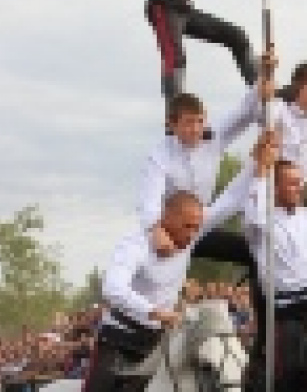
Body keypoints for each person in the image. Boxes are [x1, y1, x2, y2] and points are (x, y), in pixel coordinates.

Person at [82, 132, 277, 392]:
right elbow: (113, 288)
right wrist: (156, 311)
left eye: (197, 227)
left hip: (161, 341)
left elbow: (230, 200)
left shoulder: (192, 234)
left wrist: (257, 164)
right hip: (119, 341)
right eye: (187, 226)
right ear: (166, 217)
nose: (193, 233)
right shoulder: (136, 243)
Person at [242, 159, 307, 391]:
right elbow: (255, 210)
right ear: (274, 188)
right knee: (291, 375)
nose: (299, 188)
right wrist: (262, 171)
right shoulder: (261, 224)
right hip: (287, 312)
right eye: (292, 183)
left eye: (300, 182)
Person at [145, 0, 258, 112]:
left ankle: (262, 93)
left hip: (182, 7)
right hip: (163, 4)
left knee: (238, 38)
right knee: (175, 58)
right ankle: (175, 118)